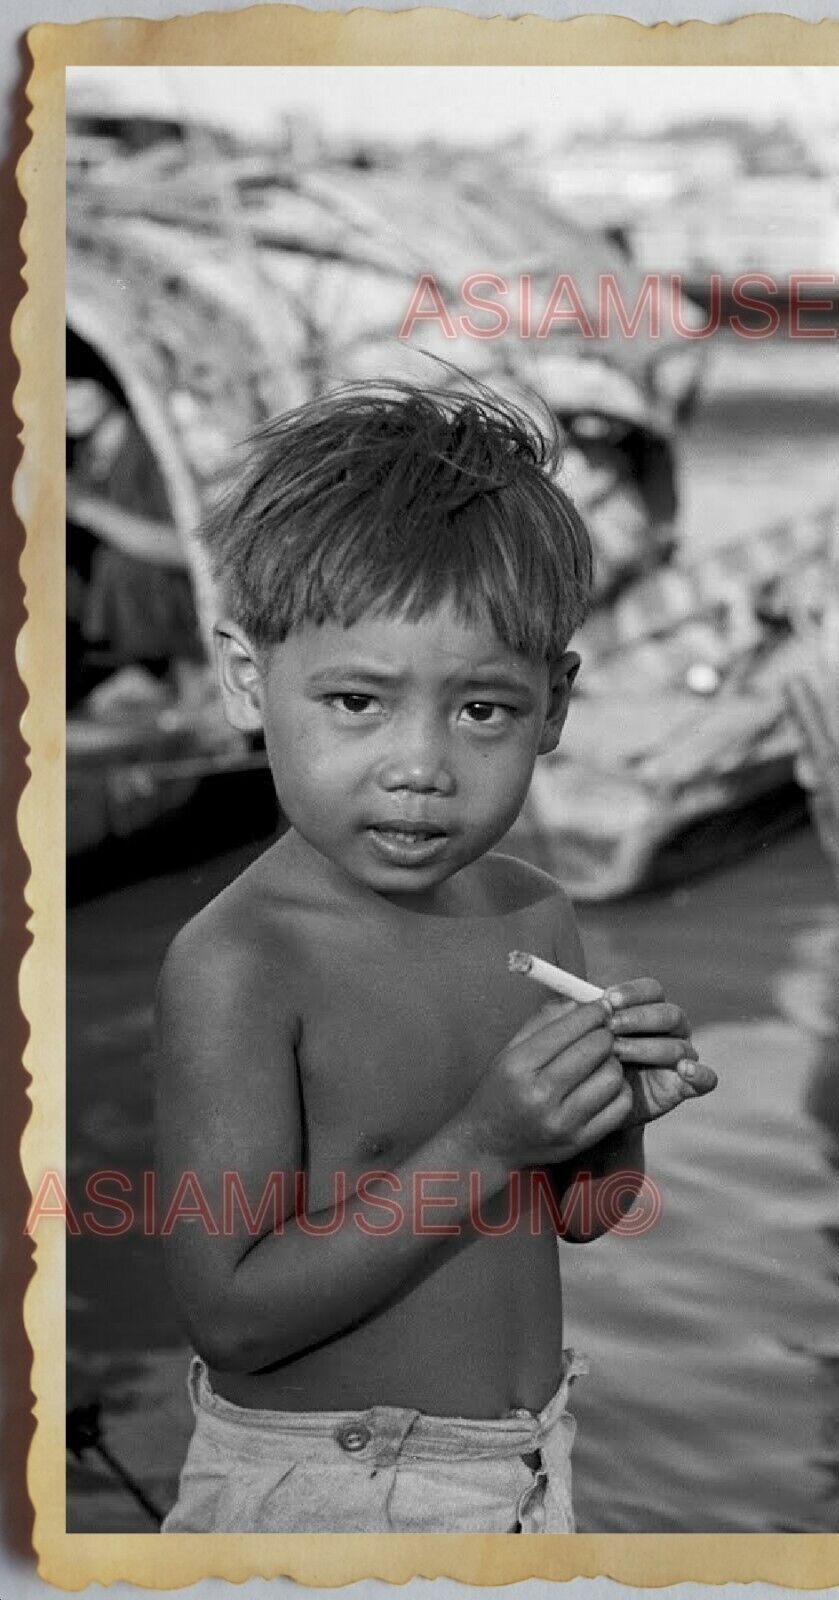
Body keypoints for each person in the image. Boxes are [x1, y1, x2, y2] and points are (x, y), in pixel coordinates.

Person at [155, 378, 718, 1535]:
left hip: (524, 1465)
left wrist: (618, 1113)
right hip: (328, 1488)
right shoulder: (242, 963)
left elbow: (583, 1213)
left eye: (481, 712)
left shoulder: (534, 916)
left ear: (553, 704)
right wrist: (486, 1138)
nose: (420, 765)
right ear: (248, 680)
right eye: (357, 701)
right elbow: (234, 1315)